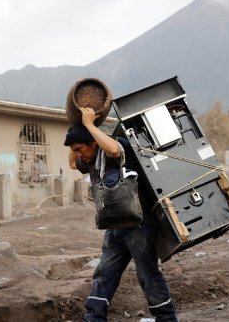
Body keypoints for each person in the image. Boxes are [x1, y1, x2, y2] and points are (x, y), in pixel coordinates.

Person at [64, 106, 177, 322]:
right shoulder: (90, 162)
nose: (79, 154)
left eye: (80, 148)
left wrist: (89, 125)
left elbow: (114, 150)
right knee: (104, 273)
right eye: (76, 150)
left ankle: (167, 319)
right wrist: (77, 126)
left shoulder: (117, 150)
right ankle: (93, 318)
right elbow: (71, 164)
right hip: (114, 228)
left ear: (94, 143)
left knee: (147, 275)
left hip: (139, 226)